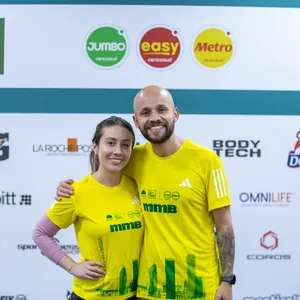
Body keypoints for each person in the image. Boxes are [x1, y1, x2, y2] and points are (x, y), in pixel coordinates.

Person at [56, 86, 236, 300]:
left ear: (175, 114)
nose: (154, 118)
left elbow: (224, 225)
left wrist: (226, 280)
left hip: (199, 288)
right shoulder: (133, 158)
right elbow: (102, 181)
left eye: (162, 109)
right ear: (136, 120)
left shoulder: (207, 161)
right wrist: (67, 188)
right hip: (148, 290)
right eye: (145, 112)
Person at [33, 116, 144, 300]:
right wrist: (73, 267)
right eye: (110, 143)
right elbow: (40, 233)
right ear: (95, 146)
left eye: (125, 145)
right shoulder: (75, 192)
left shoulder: (138, 187)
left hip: (133, 295)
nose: (118, 151)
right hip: (91, 296)